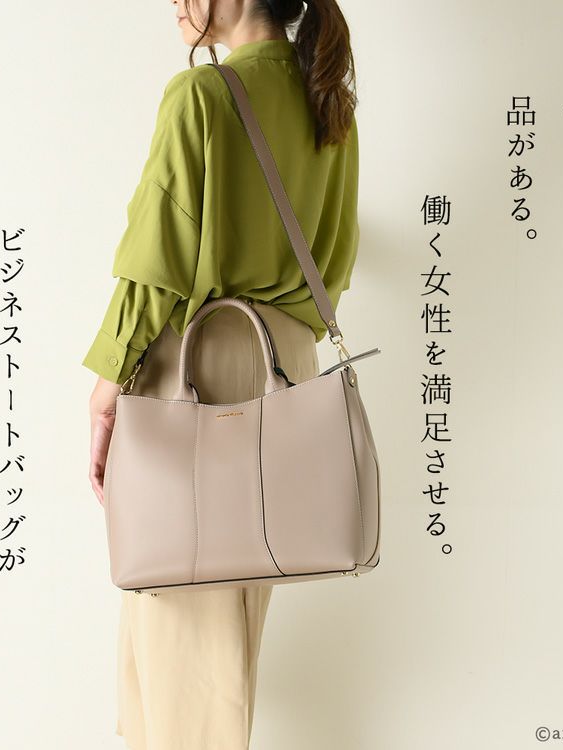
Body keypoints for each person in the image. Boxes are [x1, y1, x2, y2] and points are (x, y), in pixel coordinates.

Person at [82, 0, 359, 748]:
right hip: (282, 375)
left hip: (199, 375)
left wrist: (107, 387)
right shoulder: (327, 104)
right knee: (219, 634)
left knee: (182, 652)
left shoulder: (201, 96)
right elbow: (334, 265)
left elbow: (156, 265)